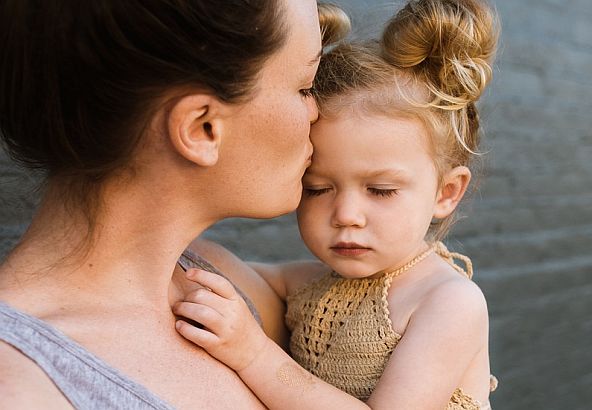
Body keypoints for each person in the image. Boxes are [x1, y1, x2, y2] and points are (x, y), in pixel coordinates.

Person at [0, 1, 348, 408]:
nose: (317, 112)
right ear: (202, 128)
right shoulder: (21, 387)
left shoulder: (223, 282)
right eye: (305, 87)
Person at [172, 0, 500, 409]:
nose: (346, 215)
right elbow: (225, 269)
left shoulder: (447, 301)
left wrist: (253, 353)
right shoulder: (312, 284)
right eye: (317, 188)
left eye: (380, 190)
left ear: (446, 193)